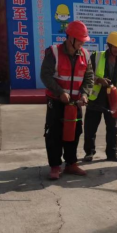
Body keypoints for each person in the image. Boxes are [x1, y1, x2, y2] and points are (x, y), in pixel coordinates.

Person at [40, 20, 94, 180]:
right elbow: (45, 75)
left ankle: (71, 163)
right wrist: (60, 92)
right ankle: (55, 166)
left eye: (84, 40)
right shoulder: (54, 52)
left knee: (74, 133)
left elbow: (89, 78)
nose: (83, 43)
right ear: (70, 38)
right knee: (54, 133)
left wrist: (85, 94)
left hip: (75, 103)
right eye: (80, 40)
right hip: (56, 101)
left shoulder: (85, 55)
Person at [83, 31, 117, 163]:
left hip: (113, 100)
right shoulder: (96, 56)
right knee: (90, 128)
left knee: (113, 128)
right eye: (115, 46)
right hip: (95, 98)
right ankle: (89, 153)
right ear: (109, 45)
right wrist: (98, 80)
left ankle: (112, 153)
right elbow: (87, 74)